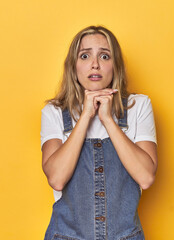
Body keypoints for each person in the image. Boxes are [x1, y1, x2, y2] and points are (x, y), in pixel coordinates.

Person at [40, 25, 158, 240]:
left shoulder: (138, 106)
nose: (95, 64)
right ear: (73, 67)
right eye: (85, 56)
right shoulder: (54, 112)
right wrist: (86, 115)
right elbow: (56, 179)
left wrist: (107, 119)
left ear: (115, 66)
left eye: (104, 56)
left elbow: (146, 177)